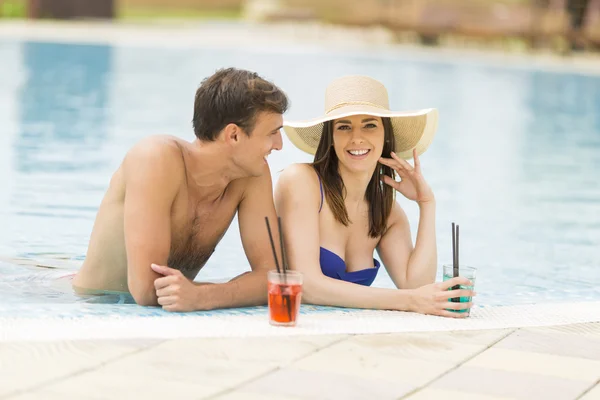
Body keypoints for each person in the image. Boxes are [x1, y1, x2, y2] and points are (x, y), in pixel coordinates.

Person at [73, 68, 289, 312]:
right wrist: (209, 295)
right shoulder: (156, 158)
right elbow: (145, 290)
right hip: (90, 304)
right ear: (234, 135)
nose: (279, 145)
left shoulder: (252, 174)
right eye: (272, 133)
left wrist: (203, 296)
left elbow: (276, 279)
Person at [275, 75, 473, 318]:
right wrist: (408, 301)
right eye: (344, 127)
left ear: (385, 135)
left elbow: (417, 286)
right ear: (331, 138)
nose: (357, 138)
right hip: (293, 330)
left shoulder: (386, 212)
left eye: (370, 125)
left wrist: (426, 204)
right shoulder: (301, 181)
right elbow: (307, 287)